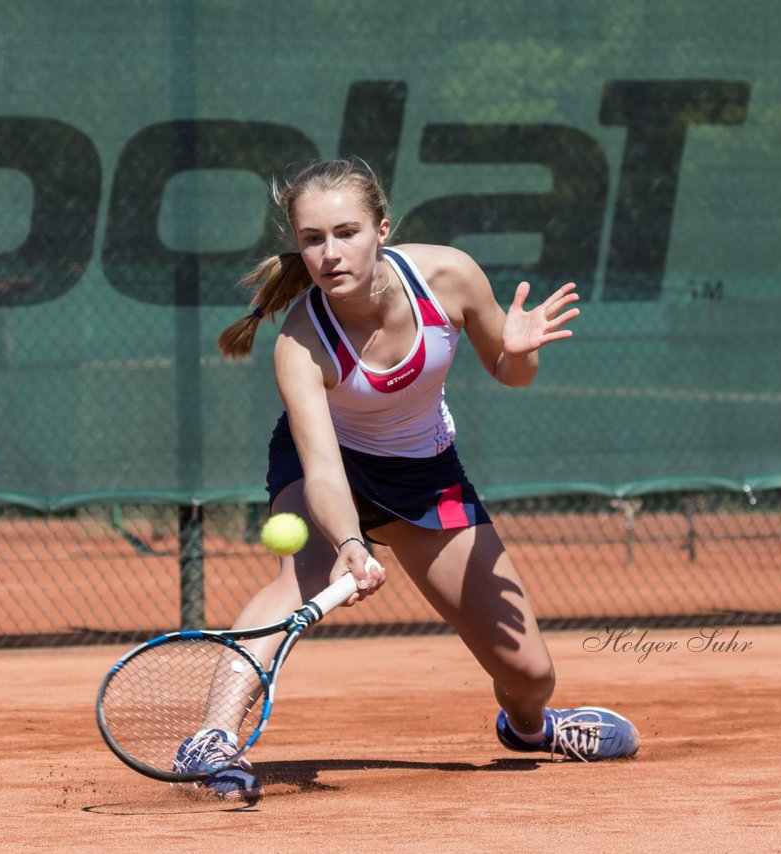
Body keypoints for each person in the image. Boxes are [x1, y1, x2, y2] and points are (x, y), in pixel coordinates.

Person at [184, 158, 638, 802]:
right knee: (299, 578)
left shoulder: (448, 276)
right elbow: (322, 471)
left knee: (531, 673)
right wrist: (347, 544)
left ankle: (533, 731)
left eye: (347, 233)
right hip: (332, 467)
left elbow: (512, 374)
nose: (330, 253)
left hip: (427, 476)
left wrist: (520, 349)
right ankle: (212, 740)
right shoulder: (300, 343)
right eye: (312, 239)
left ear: (382, 229)